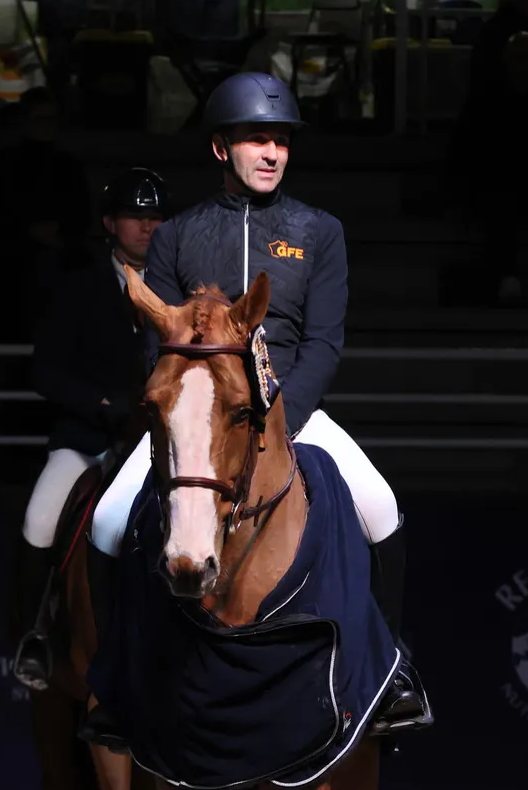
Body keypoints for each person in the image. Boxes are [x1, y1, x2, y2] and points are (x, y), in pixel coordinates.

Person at [79, 72, 430, 746]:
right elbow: (159, 342)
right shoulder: (178, 235)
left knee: (381, 509)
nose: (271, 152)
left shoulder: (318, 231)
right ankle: (113, 681)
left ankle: (393, 673)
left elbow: (325, 340)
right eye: (255, 140)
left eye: (281, 142)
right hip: (199, 426)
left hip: (292, 412)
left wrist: (278, 420)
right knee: (106, 521)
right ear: (221, 150)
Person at [12, 168, 169, 690]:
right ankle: (34, 638)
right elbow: (45, 371)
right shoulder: (78, 288)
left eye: (155, 218)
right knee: (40, 519)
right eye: (134, 218)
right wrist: (100, 405)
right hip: (90, 440)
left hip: (158, 445)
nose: (146, 228)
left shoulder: (181, 289)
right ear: (110, 224)